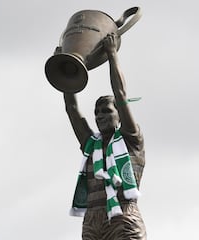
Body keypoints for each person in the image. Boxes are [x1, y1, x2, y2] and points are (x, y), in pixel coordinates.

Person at [63, 33, 147, 240]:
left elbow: (120, 93)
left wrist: (111, 54)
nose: (100, 116)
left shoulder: (131, 138)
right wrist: (66, 65)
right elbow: (72, 108)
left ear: (119, 113)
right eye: (97, 112)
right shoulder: (92, 145)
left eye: (107, 111)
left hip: (123, 217)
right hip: (93, 221)